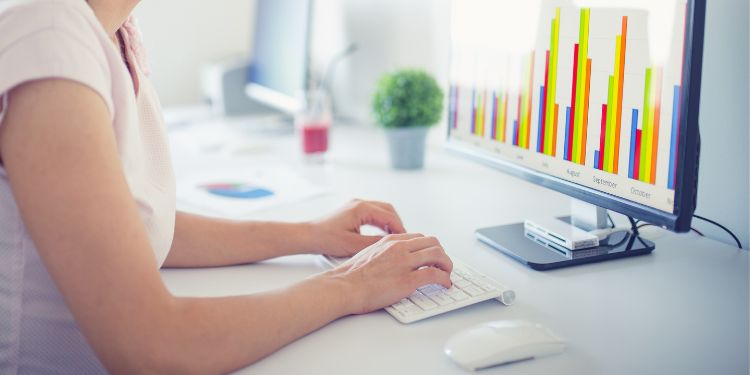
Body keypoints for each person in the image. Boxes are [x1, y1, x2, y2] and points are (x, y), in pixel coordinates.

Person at [0, 0, 454, 373]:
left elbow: (136, 225)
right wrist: (351, 286)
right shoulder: (50, 40)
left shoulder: (112, 32)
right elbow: (153, 346)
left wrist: (311, 234)